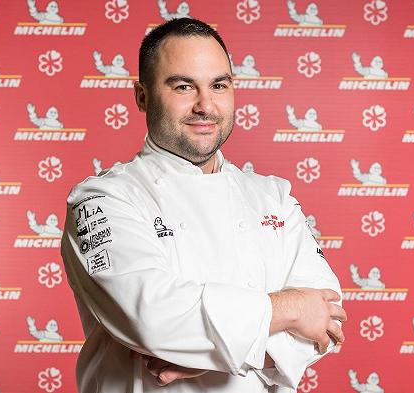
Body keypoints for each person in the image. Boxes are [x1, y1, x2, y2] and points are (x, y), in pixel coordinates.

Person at [61, 18, 345, 393]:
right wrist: (292, 309)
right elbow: (152, 318)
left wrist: (208, 353)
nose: (205, 105)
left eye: (219, 85)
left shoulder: (273, 198)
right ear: (142, 96)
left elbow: (327, 319)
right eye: (183, 86)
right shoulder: (103, 200)